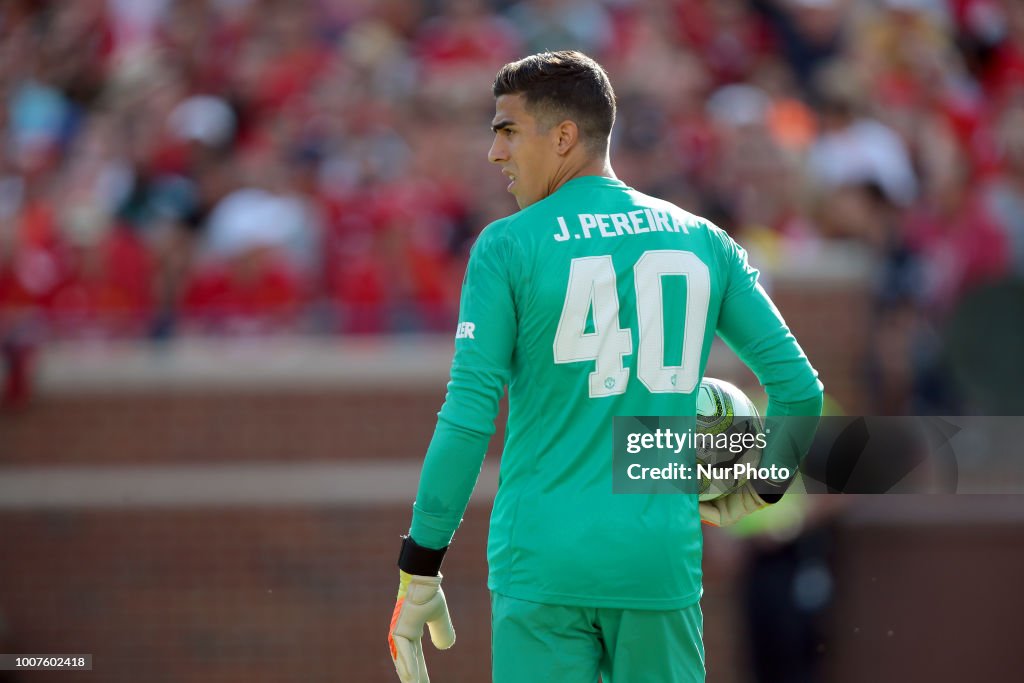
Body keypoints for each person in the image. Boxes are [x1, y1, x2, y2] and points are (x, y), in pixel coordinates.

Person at [387, 50, 824, 683]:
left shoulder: (507, 245)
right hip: (657, 558)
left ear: (563, 135)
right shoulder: (703, 239)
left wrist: (419, 564)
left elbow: (467, 417)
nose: (495, 153)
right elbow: (799, 392)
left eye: (507, 130)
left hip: (542, 558)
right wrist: (763, 489)